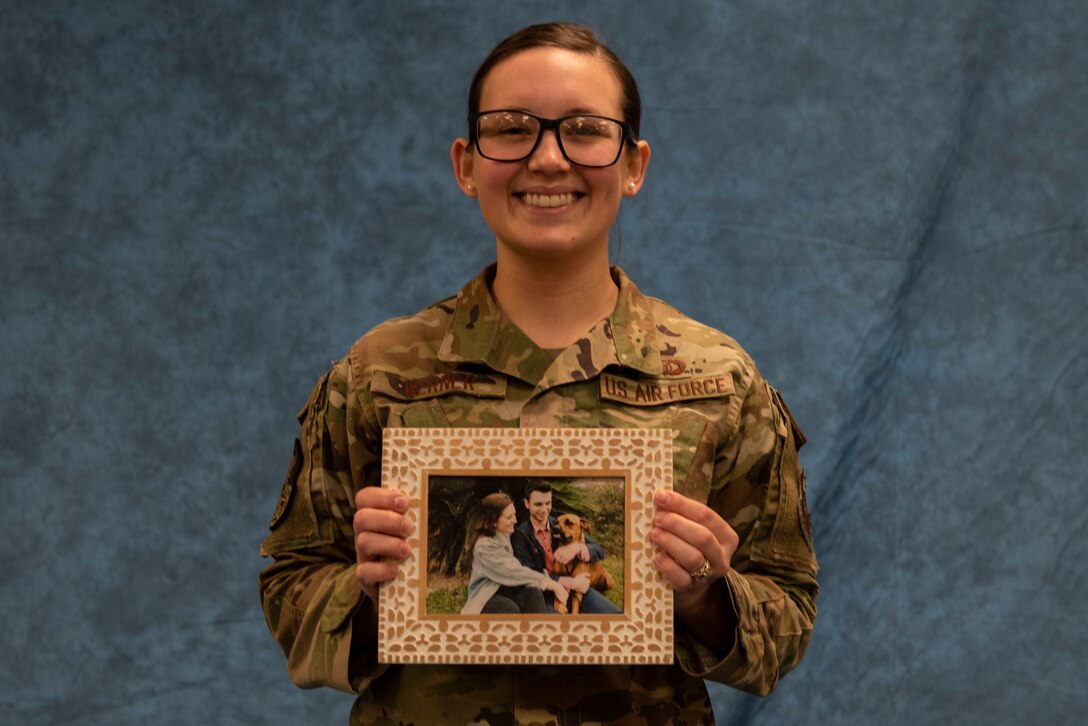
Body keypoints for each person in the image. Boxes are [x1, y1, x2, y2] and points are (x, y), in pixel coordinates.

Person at [259, 21, 818, 724]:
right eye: (512, 128)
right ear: (467, 164)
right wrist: (373, 596)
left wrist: (705, 596)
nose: (548, 158)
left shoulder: (718, 382)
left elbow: (788, 614)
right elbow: (291, 593)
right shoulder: (378, 374)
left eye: (584, 129)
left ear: (634, 163)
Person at [511, 479, 621, 614]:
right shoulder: (520, 536)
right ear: (527, 504)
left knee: (615, 614)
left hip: (577, 589)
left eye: (548, 503)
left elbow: (599, 550)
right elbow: (528, 574)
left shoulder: (560, 525)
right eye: (538, 504)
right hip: (545, 594)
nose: (544, 509)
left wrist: (577, 548)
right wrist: (570, 582)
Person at [460, 492, 568, 614]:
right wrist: (551, 583)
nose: (515, 520)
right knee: (509, 608)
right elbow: (513, 571)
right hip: (485, 595)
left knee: (533, 593)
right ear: (493, 522)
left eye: (514, 515)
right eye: (509, 517)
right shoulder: (484, 547)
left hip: (506, 587)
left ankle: (539, 630)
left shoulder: (505, 533)